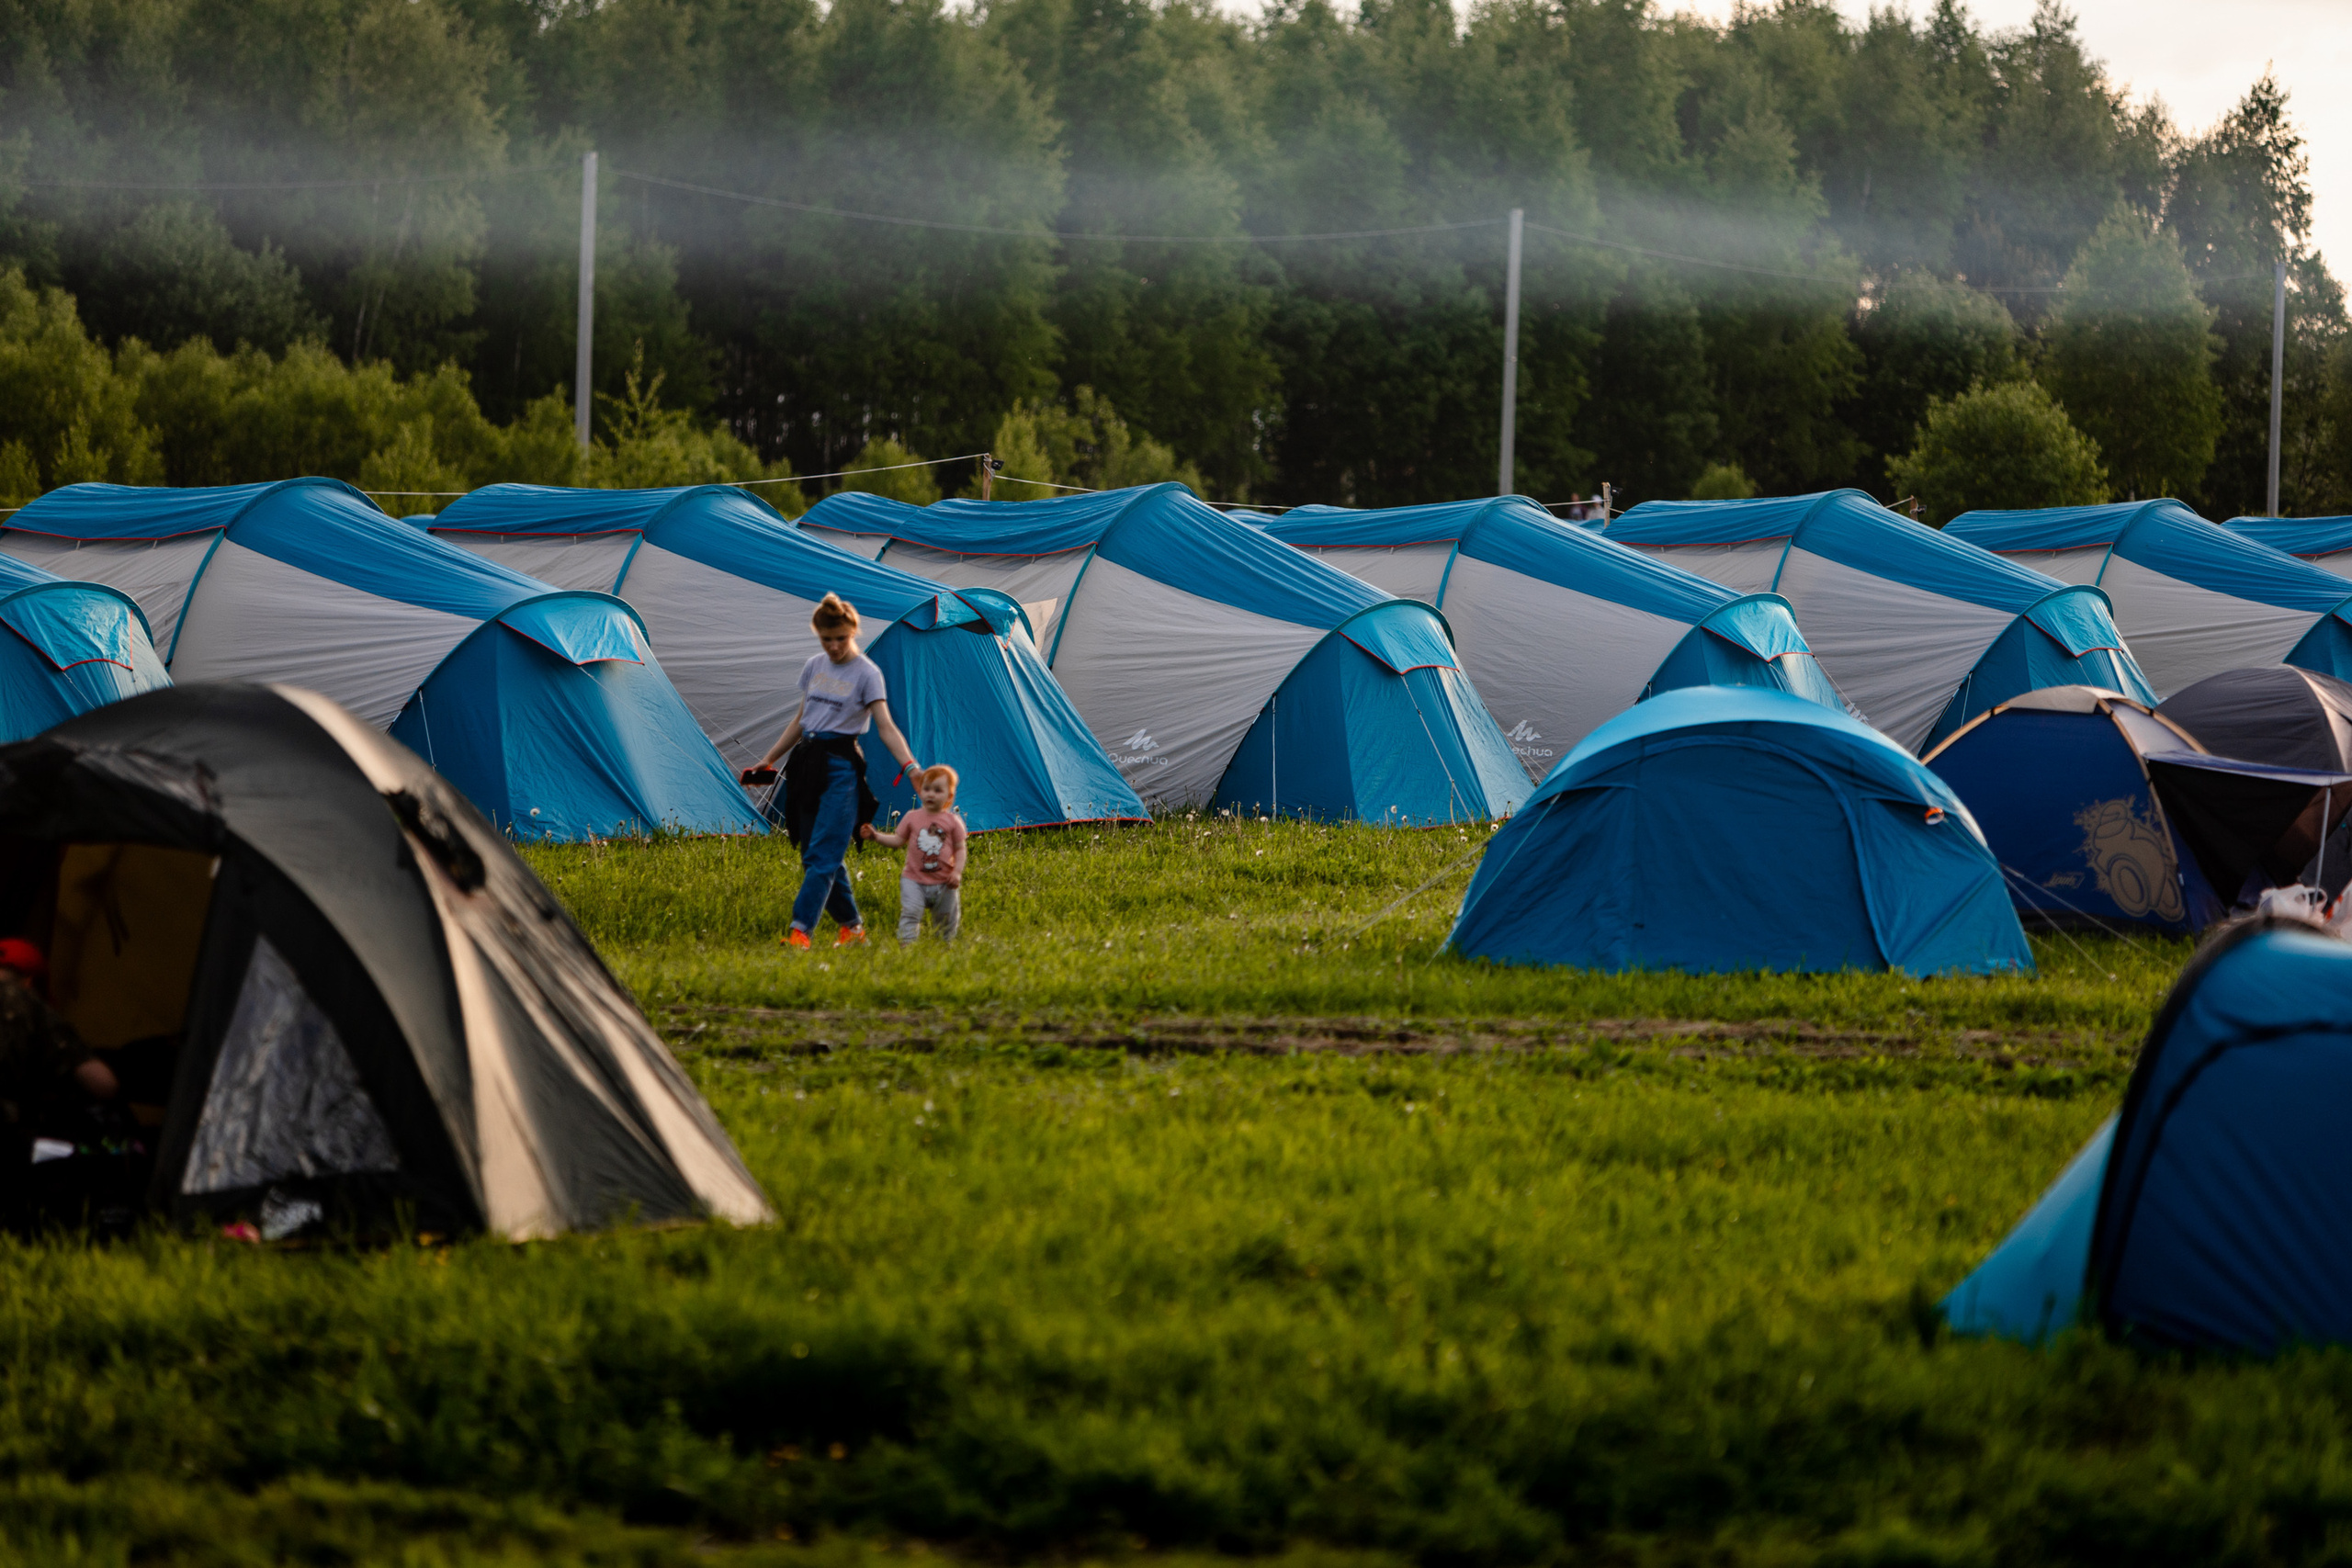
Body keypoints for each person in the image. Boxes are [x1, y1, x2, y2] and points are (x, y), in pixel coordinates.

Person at [747, 592, 922, 950]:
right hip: (806, 761)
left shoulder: (867, 674)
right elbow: (801, 719)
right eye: (827, 640)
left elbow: (885, 726)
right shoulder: (814, 666)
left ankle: (800, 931)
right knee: (815, 853)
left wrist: (911, 767)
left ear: (853, 631)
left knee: (824, 855)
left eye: (841, 638)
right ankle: (853, 929)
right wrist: (769, 758)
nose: (835, 646)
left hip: (841, 766)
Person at [863, 764, 967, 944]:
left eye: (937, 790)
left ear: (949, 796)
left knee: (946, 917)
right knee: (911, 911)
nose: (930, 794)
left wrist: (956, 872)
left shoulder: (953, 822)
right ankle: (907, 945)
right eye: (926, 789)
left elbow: (960, 849)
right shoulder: (912, 817)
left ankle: (944, 945)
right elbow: (897, 841)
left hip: (944, 882)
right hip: (914, 880)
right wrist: (875, 836)